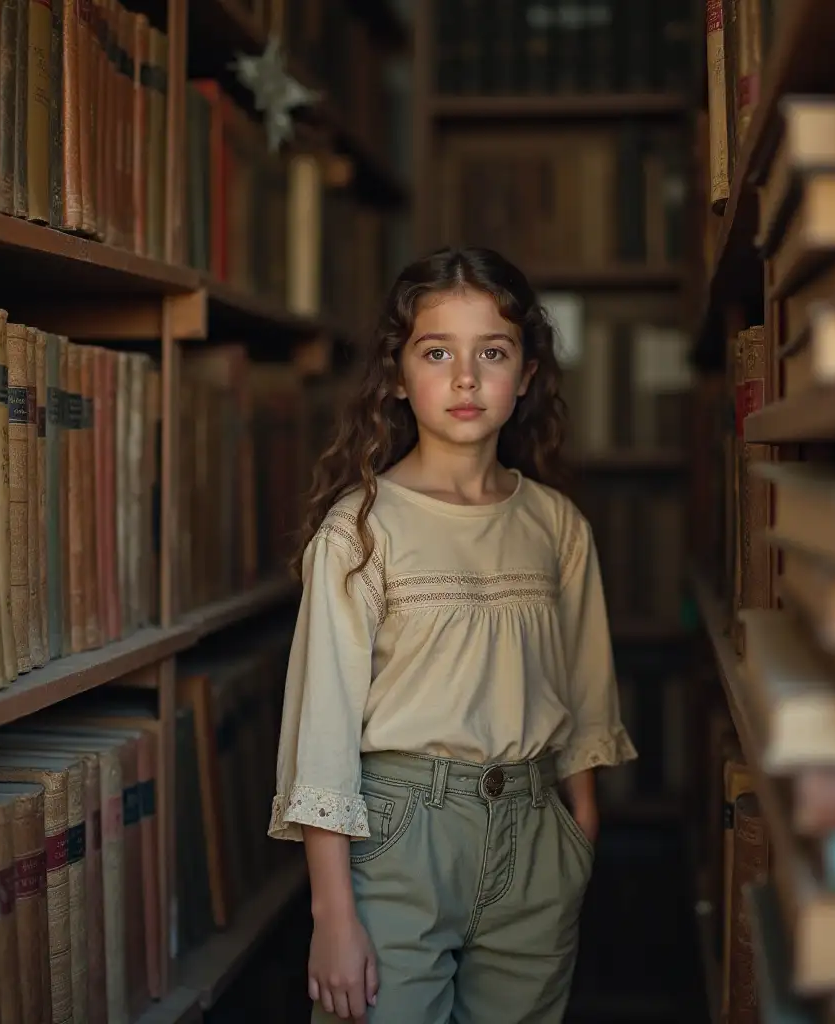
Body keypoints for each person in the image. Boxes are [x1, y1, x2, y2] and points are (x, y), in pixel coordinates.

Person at [268, 245, 637, 1023]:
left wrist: (580, 832)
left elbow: (585, 690)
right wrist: (332, 918)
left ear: (526, 374)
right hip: (399, 836)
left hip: (537, 831)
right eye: (437, 352)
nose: (465, 378)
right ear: (398, 378)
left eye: (492, 353)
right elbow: (322, 736)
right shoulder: (359, 531)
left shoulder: (555, 525)